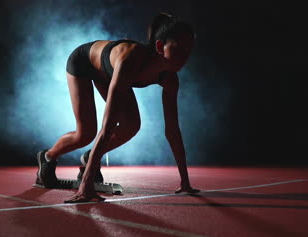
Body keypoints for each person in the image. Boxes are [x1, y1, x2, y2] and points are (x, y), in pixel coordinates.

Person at [36, 13, 200, 203]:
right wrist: (86, 186)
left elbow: (172, 130)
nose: (185, 56)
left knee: (132, 125)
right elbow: (108, 125)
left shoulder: (170, 78)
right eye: (179, 48)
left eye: (189, 49)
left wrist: (185, 181)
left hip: (110, 72)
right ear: (159, 46)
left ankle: (89, 159)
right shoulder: (130, 59)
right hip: (84, 62)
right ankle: (47, 158)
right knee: (86, 134)